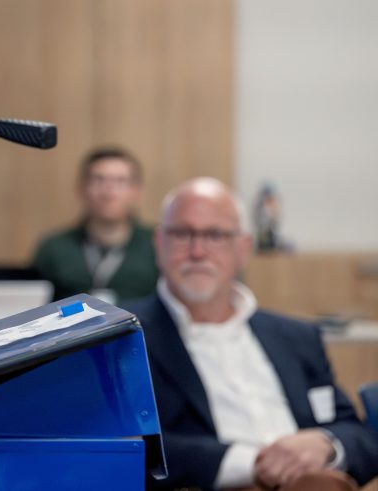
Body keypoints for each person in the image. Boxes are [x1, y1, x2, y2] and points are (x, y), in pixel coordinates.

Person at [125, 177, 378, 491]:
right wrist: (254, 464)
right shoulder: (122, 339)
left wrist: (327, 443)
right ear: (159, 243)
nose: (198, 251)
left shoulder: (296, 337)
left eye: (215, 235)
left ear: (243, 248)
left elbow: (358, 434)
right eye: (182, 234)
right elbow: (126, 447)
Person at [30, 146, 157, 303]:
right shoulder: (53, 249)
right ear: (81, 188)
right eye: (98, 180)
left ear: (137, 191)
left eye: (120, 181)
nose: (108, 192)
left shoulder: (157, 246)